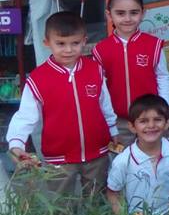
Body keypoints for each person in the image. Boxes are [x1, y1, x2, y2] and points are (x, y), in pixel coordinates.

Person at [7, 11, 119, 195]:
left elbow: (105, 105)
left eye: (75, 43)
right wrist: (16, 143)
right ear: (47, 43)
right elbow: (25, 116)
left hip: (96, 152)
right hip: (58, 157)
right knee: (61, 203)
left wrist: (113, 131)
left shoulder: (95, 70)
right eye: (60, 43)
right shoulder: (38, 78)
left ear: (84, 41)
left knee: (97, 200)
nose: (68, 50)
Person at [93, 0, 169, 145]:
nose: (127, 18)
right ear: (109, 15)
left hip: (151, 119)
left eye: (134, 13)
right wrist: (107, 120)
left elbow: (162, 77)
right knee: (123, 156)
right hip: (119, 122)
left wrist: (164, 108)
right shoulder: (100, 49)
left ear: (143, 13)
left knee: (154, 154)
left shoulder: (153, 44)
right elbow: (99, 87)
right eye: (120, 13)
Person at [106, 94, 169, 214]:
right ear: (132, 126)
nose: (151, 126)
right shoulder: (123, 161)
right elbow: (112, 193)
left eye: (157, 120)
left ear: (167, 123)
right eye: (143, 121)